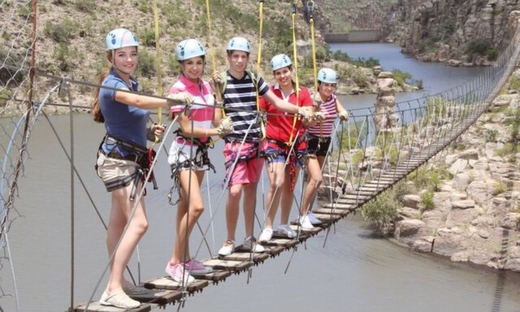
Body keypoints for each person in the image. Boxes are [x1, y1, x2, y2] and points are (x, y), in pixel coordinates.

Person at [92, 28, 193, 309]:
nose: (128, 59)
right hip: (118, 161)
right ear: (110, 57)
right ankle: (112, 287)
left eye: (133, 54)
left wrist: (150, 130)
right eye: (122, 55)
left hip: (127, 159)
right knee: (140, 223)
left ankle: (120, 281)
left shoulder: (131, 82)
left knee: (118, 223)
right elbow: (135, 102)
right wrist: (173, 101)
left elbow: (129, 117)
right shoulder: (113, 84)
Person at [212, 37, 311, 256]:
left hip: (255, 143)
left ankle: (249, 238)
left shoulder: (255, 79)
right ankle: (229, 240)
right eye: (235, 56)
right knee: (235, 191)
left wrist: (299, 110)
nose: (239, 61)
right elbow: (216, 121)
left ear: (247, 58)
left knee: (251, 191)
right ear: (228, 57)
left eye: (243, 57)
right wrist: (217, 97)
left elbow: (276, 103)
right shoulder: (222, 82)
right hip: (235, 144)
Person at [165, 39, 233, 284]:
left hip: (201, 153)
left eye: (199, 62)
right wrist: (219, 133)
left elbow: (215, 121)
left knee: (185, 208)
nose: (195, 67)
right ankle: (174, 262)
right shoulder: (177, 91)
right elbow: (187, 128)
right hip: (184, 150)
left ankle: (184, 257)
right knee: (197, 207)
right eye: (189, 63)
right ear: (181, 64)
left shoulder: (205, 87)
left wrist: (218, 95)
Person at [257, 54, 316, 243]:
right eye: (278, 73)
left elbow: (308, 118)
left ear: (291, 71)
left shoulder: (303, 93)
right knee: (276, 182)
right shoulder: (268, 93)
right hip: (274, 143)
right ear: (274, 75)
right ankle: (268, 227)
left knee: (289, 185)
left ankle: (283, 225)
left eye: (285, 71)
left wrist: (311, 116)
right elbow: (259, 112)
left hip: (296, 144)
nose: (282, 76)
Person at [300, 67, 349, 229]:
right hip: (310, 142)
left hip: (325, 142)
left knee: (312, 181)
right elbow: (307, 123)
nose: (329, 88)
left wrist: (343, 113)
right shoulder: (314, 100)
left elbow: (342, 110)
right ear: (319, 84)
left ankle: (308, 212)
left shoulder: (333, 98)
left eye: (332, 85)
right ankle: (302, 215)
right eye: (326, 85)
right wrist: (315, 114)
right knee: (316, 179)